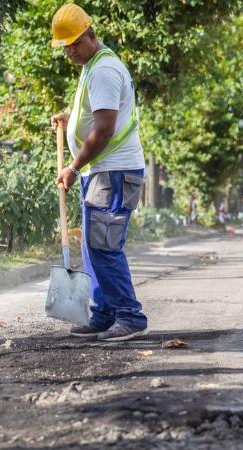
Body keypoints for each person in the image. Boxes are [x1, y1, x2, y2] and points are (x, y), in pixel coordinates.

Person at [50, 3, 147, 342]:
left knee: (104, 247)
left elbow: (104, 129)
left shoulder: (104, 70)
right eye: (66, 47)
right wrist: (70, 119)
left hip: (113, 173)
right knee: (94, 246)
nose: (70, 52)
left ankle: (129, 316)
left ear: (91, 34)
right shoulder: (95, 65)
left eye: (74, 44)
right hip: (103, 172)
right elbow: (97, 115)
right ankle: (103, 313)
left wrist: (74, 166)